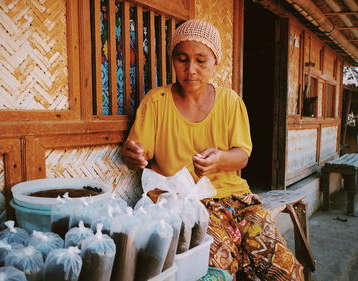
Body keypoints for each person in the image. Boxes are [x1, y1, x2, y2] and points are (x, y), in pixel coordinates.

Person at [121, 19, 304, 281]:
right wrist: (134, 155)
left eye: (201, 60)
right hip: (182, 204)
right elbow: (140, 153)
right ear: (172, 60)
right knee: (217, 268)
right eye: (182, 59)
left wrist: (219, 159)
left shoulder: (230, 101)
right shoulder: (156, 101)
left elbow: (242, 155)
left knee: (281, 264)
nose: (190, 69)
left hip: (235, 200)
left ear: (215, 62)